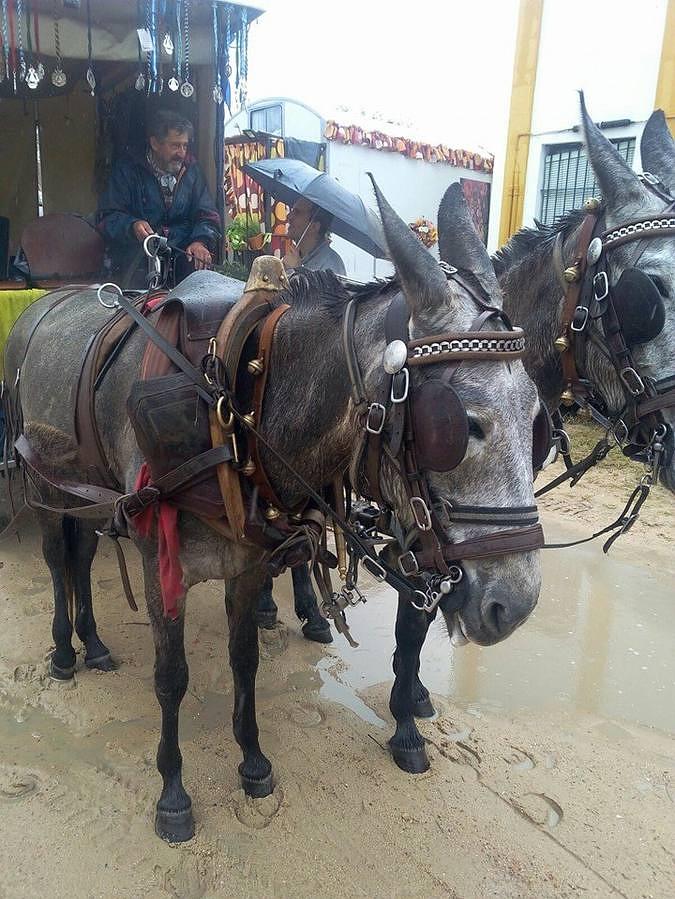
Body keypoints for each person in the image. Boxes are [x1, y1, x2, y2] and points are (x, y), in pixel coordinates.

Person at [97, 109, 221, 286]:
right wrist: (132, 225)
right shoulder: (127, 170)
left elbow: (208, 216)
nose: (182, 153)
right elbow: (106, 218)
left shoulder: (193, 171)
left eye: (185, 145)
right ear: (155, 143)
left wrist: (199, 241)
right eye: (175, 145)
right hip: (136, 266)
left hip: (182, 264)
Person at [282, 198, 346, 275]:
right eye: (292, 210)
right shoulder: (293, 257)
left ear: (314, 226)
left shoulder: (331, 264)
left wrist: (295, 271)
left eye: (297, 212)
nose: (289, 216)